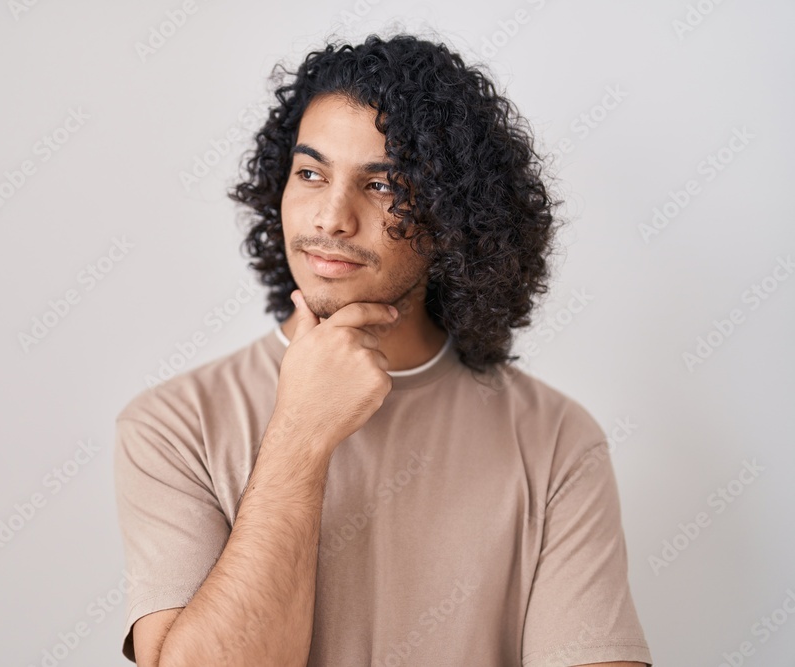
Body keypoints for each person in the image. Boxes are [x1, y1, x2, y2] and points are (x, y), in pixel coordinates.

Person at [113, 32, 654, 667]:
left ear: (454, 214)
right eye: (310, 174)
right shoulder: (172, 426)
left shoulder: (556, 441)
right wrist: (301, 436)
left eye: (381, 185)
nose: (330, 218)